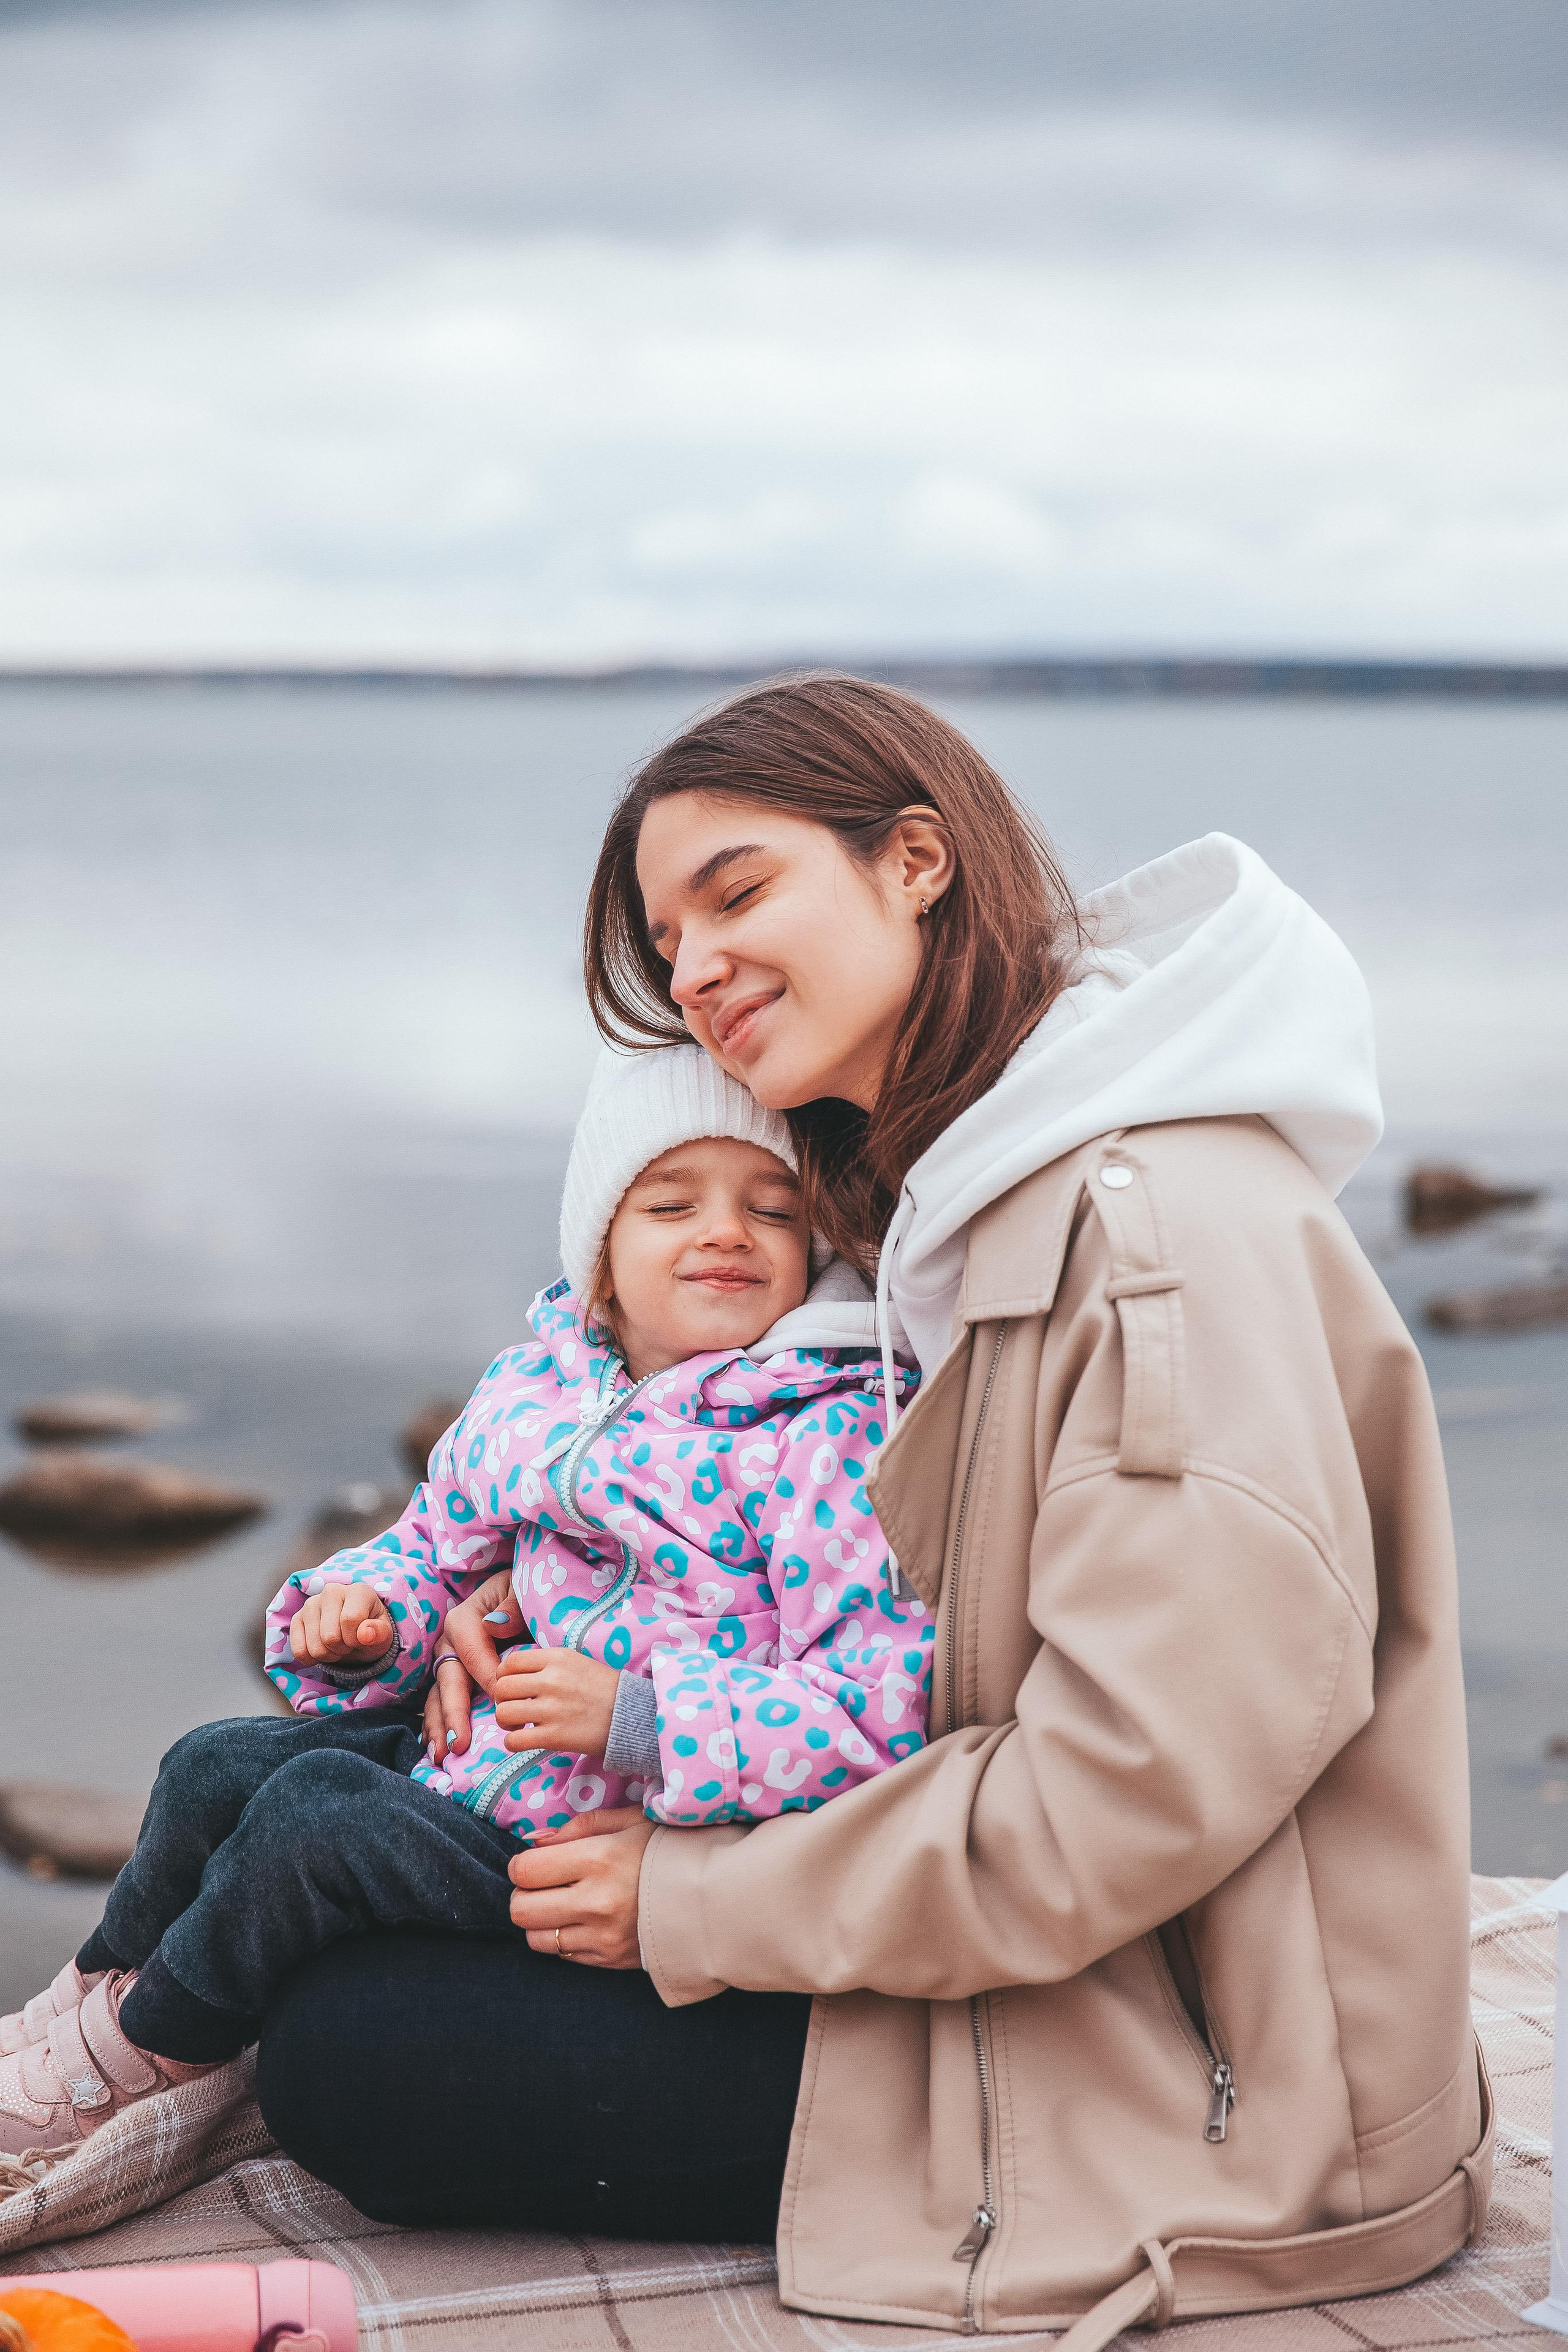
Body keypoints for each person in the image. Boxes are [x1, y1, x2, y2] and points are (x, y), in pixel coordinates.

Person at [247, 674, 1483, 2340]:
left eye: (737, 893)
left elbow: (1129, 1792)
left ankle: (147, 2055)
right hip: (995, 1914)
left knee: (355, 2050)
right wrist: (557, 1600)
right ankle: (152, 2028)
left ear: (914, 860)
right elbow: (885, 1588)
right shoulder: (957, 1188)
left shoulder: (1160, 1235)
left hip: (1197, 2081)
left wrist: (693, 1908)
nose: (692, 974)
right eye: (665, 941)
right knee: (290, 1780)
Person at [0, 1044, 926, 2169]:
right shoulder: (537, 1389)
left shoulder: (830, 1434)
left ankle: (144, 2060)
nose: (725, 1231)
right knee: (213, 1761)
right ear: (600, 1251)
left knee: (315, 1824)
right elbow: (432, 1550)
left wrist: (639, 1715)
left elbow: (875, 1714)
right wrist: (366, 1613)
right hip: (481, 1766)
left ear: (816, 1245)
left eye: (771, 1211)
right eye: (672, 1202)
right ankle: (97, 1994)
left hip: (595, 1839)